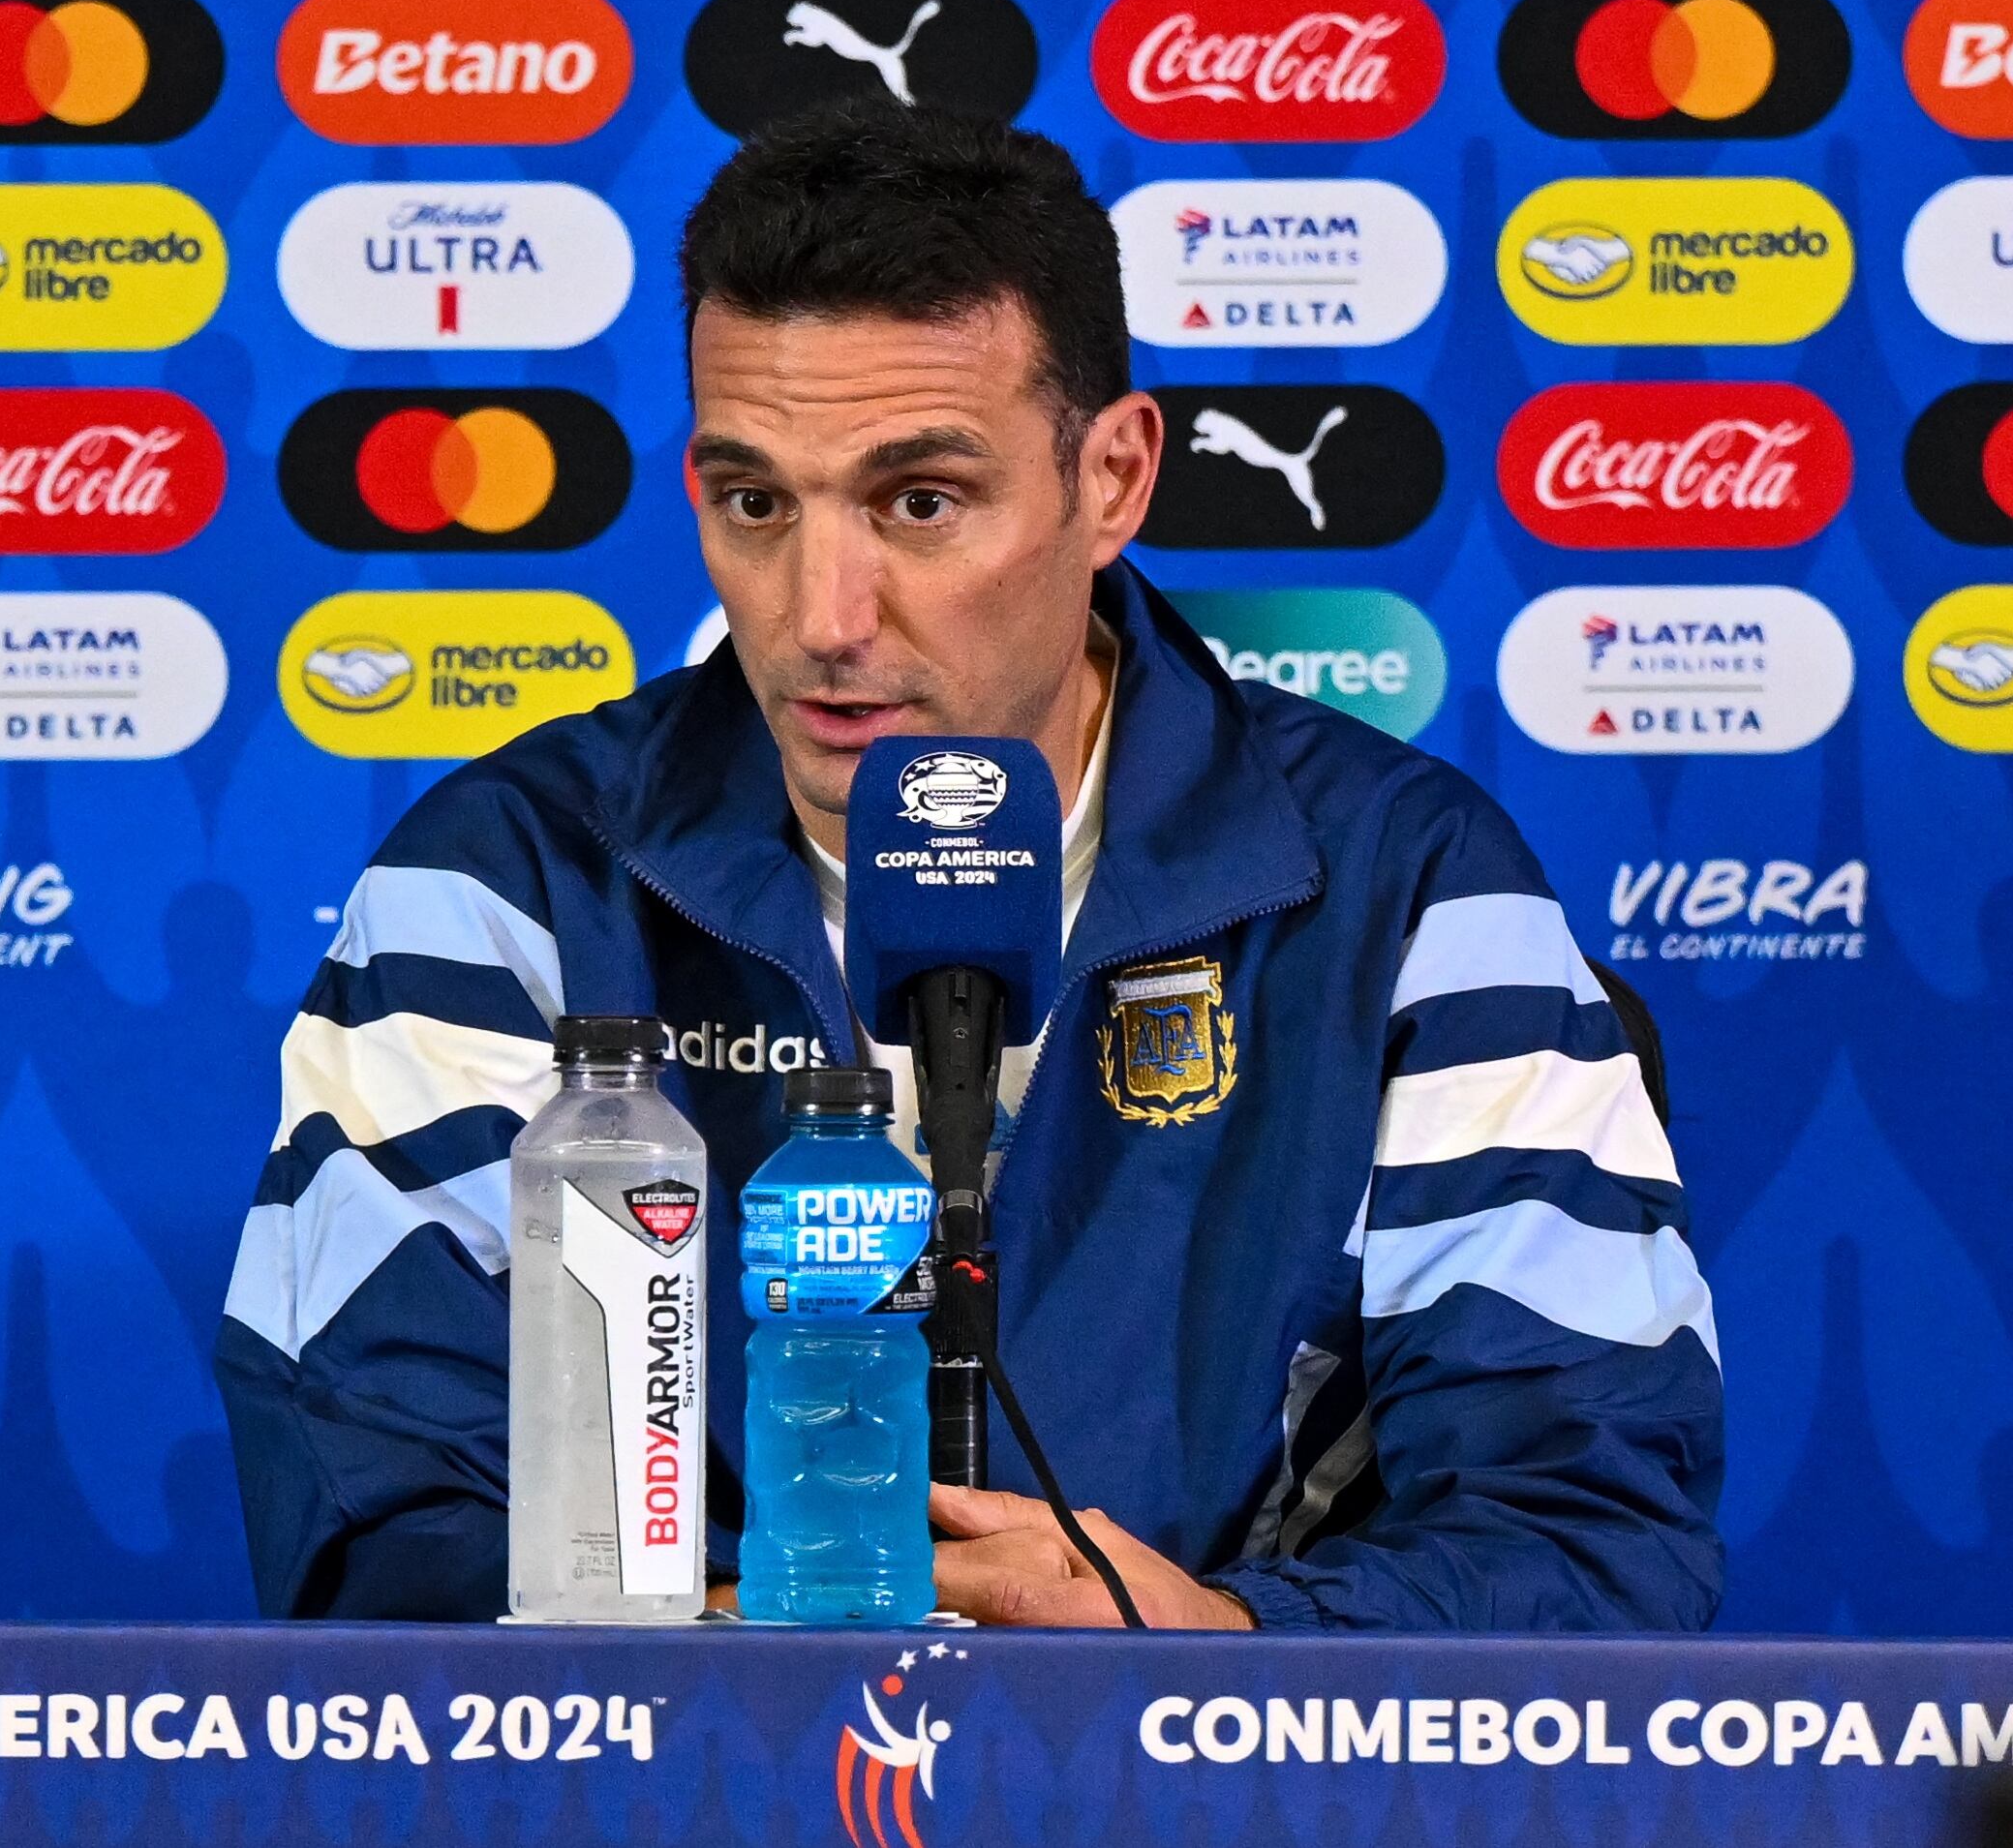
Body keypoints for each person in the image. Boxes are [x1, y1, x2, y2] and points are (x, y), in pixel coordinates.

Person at [216, 100, 1723, 1630]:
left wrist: (1216, 1648)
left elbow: (1588, 1541)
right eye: (754, 503)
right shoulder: (504, 888)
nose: (823, 617)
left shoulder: (1408, 889)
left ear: (1114, 479)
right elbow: (378, 1522)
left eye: (919, 502)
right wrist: (752, 1661)